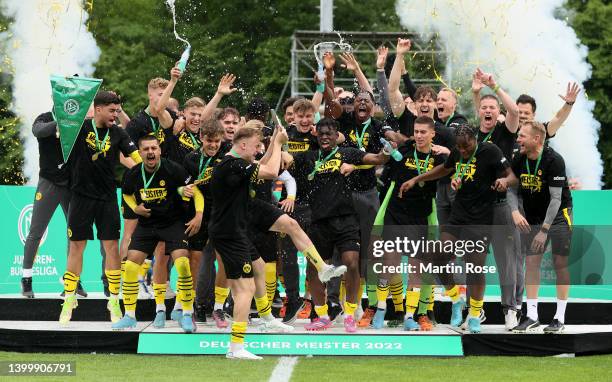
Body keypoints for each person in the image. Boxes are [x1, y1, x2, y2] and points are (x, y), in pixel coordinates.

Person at [399, 124, 517, 333]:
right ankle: (455, 297)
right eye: (459, 148)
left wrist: (503, 181)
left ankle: (474, 315)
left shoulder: (490, 151)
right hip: (458, 214)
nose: (462, 151)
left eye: (466, 147)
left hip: (481, 218)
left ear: (474, 140)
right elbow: (444, 169)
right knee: (438, 255)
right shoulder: (457, 151)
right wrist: (417, 179)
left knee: (474, 266)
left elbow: (513, 177)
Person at [289, 118, 391, 333]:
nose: (325, 136)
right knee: (314, 269)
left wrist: (387, 151)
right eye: (322, 133)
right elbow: (284, 162)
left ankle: (350, 313)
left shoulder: (347, 153)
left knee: (351, 262)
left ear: (337, 136)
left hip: (346, 219)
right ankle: (323, 315)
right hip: (318, 221)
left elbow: (375, 158)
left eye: (330, 133)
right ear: (317, 135)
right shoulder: (307, 158)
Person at [59, 91, 141, 324]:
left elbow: (135, 158)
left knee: (111, 248)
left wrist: (145, 171)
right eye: (112, 110)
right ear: (98, 109)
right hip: (81, 196)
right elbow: (64, 112)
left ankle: (114, 300)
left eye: (118, 110)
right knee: (76, 248)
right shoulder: (79, 128)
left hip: (106, 198)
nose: (116, 115)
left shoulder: (119, 133)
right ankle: (69, 298)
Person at [113, 135, 202, 332]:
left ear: (159, 150)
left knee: (182, 263)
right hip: (147, 224)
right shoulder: (133, 173)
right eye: (146, 149)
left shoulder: (174, 169)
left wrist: (198, 215)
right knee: (129, 265)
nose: (151, 152)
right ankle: (129, 315)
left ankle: (187, 313)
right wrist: (135, 208)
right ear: (140, 152)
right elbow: (126, 194)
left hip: (173, 222)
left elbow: (195, 191)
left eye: (154, 148)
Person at [371, 116, 447, 331]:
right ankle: (381, 308)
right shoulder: (404, 149)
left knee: (416, 267)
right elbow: (384, 159)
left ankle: (410, 315)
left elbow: (453, 167)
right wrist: (387, 150)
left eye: (424, 132)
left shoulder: (439, 156)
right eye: (417, 131)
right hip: (396, 211)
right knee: (390, 262)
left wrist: (449, 154)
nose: (420, 136)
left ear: (433, 134)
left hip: (420, 215)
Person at [470, 68, 522, 330]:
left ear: (497, 111)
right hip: (477, 208)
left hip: (502, 204)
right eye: (484, 107)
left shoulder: (504, 131)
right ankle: (475, 311)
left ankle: (510, 309)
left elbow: (514, 112)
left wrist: (494, 84)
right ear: (479, 110)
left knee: (506, 261)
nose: (488, 111)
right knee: (474, 260)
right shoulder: (472, 136)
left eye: (492, 107)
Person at [509, 121, 573, 334]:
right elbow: (511, 188)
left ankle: (559, 317)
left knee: (560, 263)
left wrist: (544, 231)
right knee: (531, 262)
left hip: (559, 217)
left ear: (536, 139)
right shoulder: (518, 158)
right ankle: (532, 316)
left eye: (522, 136)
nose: (518, 139)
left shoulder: (554, 160)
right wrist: (515, 212)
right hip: (534, 217)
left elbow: (556, 200)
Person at [21, 111, 87, 298]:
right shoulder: (45, 117)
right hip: (49, 182)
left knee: (74, 234)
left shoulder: (78, 121)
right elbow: (37, 130)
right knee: (36, 232)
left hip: (71, 185)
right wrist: (60, 123)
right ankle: (26, 279)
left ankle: (73, 280)